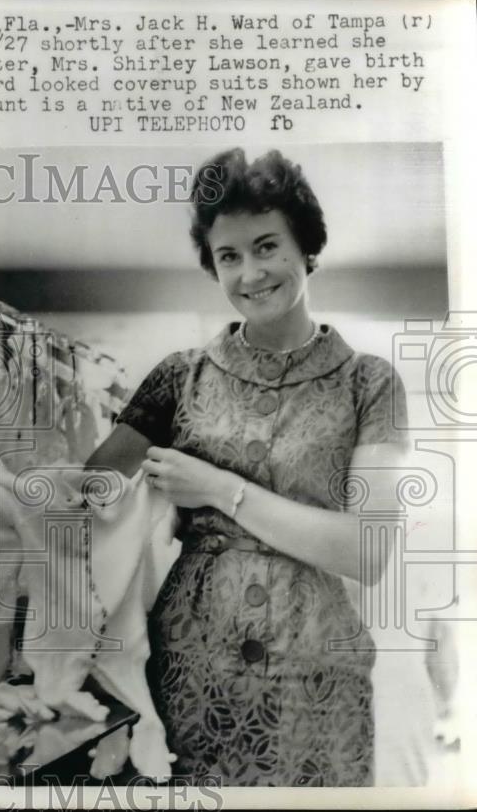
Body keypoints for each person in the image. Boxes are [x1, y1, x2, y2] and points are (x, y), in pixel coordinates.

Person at [85, 149, 408, 786]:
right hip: (188, 674)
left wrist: (221, 490)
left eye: (266, 247)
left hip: (318, 680)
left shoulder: (371, 384)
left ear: (306, 248)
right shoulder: (178, 378)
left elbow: (367, 551)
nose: (250, 273)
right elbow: (82, 498)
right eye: (228, 256)